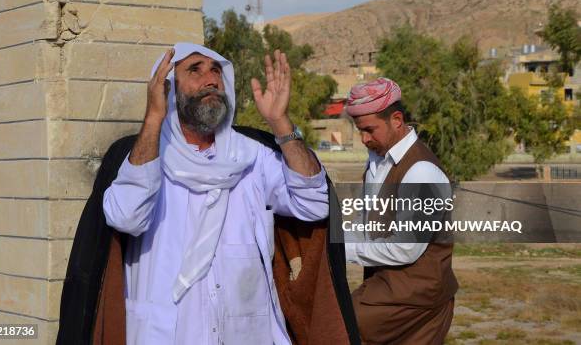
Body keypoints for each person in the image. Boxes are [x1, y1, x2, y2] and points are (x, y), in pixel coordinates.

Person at [57, 43, 360, 345]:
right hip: (165, 332)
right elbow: (126, 217)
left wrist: (280, 123)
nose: (211, 79)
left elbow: (315, 204)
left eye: (216, 70)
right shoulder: (143, 157)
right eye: (195, 70)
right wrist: (153, 119)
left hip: (248, 331)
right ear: (168, 89)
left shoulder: (252, 155)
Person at [344, 78, 458, 345]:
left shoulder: (422, 172)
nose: (364, 139)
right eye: (360, 131)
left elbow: (405, 248)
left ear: (396, 119)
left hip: (416, 300)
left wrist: (340, 248)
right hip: (387, 289)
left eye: (370, 130)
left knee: (336, 326)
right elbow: (368, 222)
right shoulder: (378, 161)